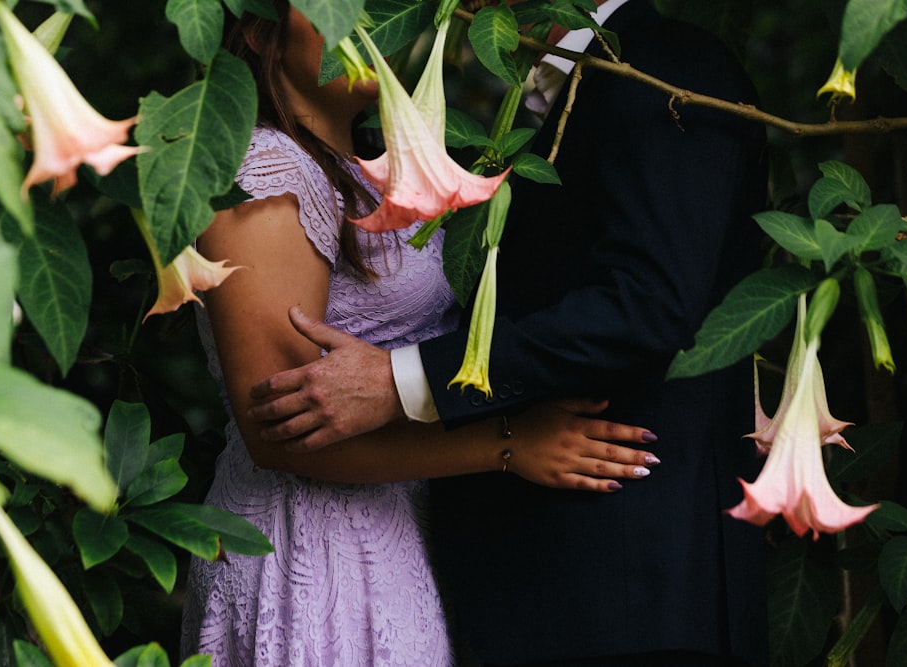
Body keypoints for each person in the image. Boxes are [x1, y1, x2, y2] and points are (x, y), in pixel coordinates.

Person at [246, 0, 771, 665]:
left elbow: (651, 304)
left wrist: (404, 380)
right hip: (537, 588)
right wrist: (502, 443)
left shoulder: (665, 71)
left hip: (635, 599)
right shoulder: (556, 100)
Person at [179, 4, 662, 666]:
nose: (367, 21)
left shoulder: (360, 166)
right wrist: (508, 444)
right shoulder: (263, 169)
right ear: (260, 32)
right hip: (311, 544)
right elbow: (282, 428)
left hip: (385, 531)